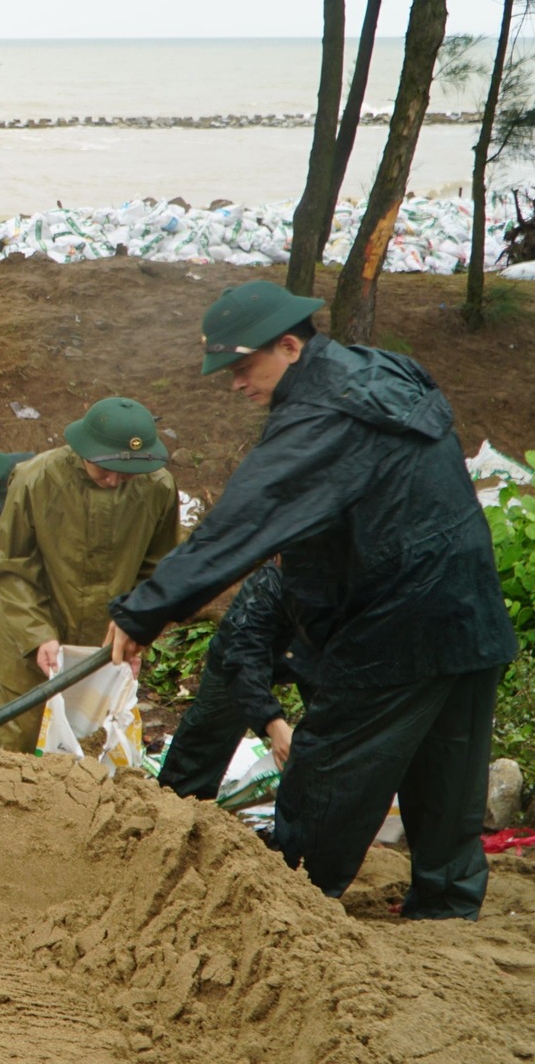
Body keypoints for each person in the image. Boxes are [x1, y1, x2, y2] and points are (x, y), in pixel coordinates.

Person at [107, 281, 517, 920]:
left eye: (243, 368)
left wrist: (145, 609)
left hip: (394, 624)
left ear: (290, 346)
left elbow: (247, 515)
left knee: (326, 773)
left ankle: (284, 909)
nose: (235, 385)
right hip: (470, 610)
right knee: (448, 775)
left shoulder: (324, 413)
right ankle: (446, 908)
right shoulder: (386, 373)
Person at [0, 397, 178, 754]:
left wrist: (139, 629)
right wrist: (37, 635)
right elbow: (12, 567)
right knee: (13, 757)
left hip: (104, 653)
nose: (113, 480)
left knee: (89, 759)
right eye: (103, 469)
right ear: (83, 451)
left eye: (127, 473)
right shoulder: (36, 480)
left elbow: (158, 573)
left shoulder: (158, 488)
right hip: (31, 652)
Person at [154, 563, 311, 802]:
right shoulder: (271, 583)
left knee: (338, 733)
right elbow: (242, 656)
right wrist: (273, 724)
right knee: (209, 732)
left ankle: (316, 823)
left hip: (322, 652)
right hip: (247, 644)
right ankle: (179, 806)